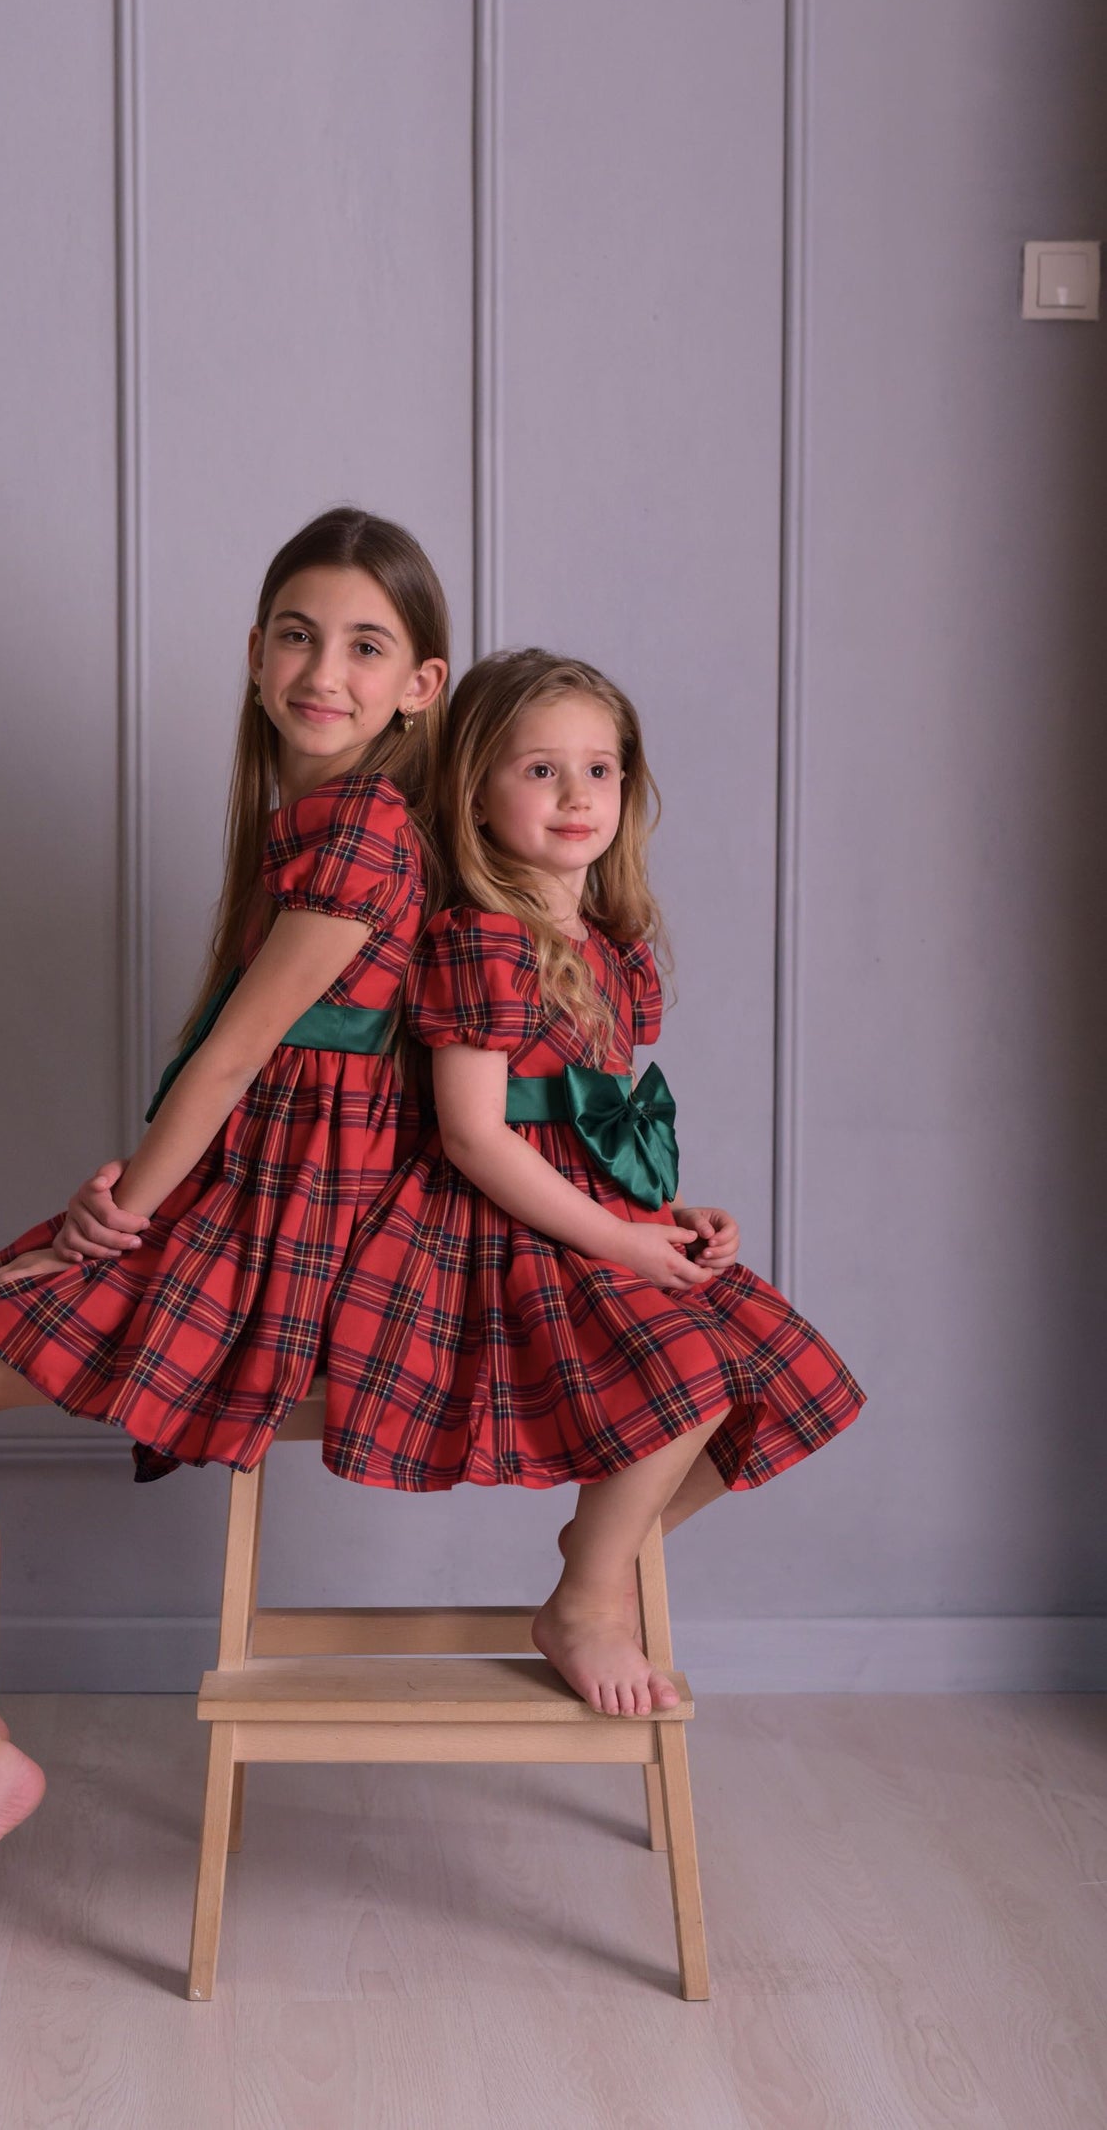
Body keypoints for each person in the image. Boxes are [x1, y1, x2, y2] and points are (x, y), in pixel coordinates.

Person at [0, 507, 450, 1955]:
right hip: (247, 1202)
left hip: (296, 1248)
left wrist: (128, 1202)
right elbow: (227, 1069)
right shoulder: (300, 823)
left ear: (422, 684)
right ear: (252, 656)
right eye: (299, 634)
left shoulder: (366, 828)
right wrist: (141, 1185)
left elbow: (240, 1055)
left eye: (368, 645)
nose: (326, 669)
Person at [324, 647, 864, 1718]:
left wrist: (666, 1212)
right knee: (687, 1375)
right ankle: (584, 1601)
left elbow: (596, 1125)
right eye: (539, 771)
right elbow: (478, 1138)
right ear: (475, 792)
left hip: (593, 1218)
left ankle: (599, 1550)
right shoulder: (482, 938)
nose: (578, 797)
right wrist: (619, 1244)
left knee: (792, 1375)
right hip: (487, 1235)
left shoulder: (609, 942)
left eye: (601, 770)